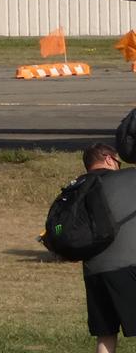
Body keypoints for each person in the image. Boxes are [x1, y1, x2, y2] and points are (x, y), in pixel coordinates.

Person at [80, 143, 136, 352]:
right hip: (127, 266)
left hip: (93, 270)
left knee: (105, 333)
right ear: (108, 159)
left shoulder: (79, 187)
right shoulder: (125, 179)